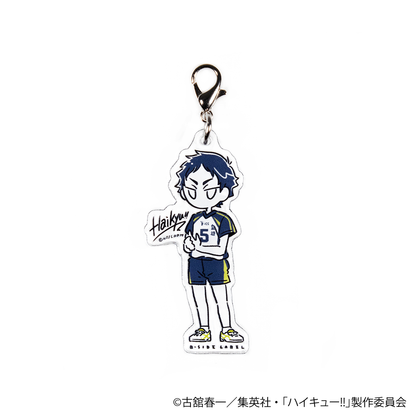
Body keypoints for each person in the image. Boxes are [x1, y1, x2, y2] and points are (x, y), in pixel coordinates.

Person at [176, 152, 244, 343]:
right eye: (192, 190)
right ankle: (203, 329)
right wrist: (189, 246)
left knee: (221, 298)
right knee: (199, 299)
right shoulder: (194, 218)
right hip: (195, 264)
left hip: (216, 265)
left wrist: (197, 249)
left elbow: (221, 250)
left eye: (209, 190)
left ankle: (227, 329)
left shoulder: (224, 219)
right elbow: (188, 242)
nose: (199, 196)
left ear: (224, 191)